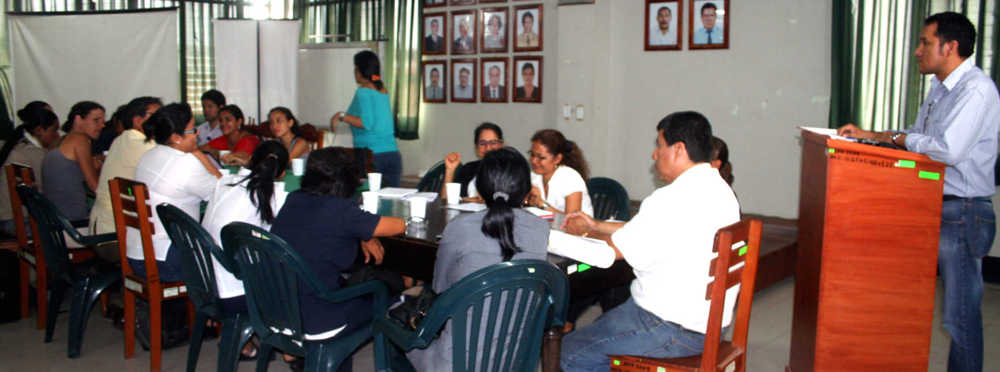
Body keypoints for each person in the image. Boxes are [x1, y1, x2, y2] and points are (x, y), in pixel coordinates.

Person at [837, 12, 1000, 372]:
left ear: (951, 47)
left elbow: (948, 150)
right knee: (912, 306)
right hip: (930, 207)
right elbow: (914, 140)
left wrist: (895, 138)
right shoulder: (941, 90)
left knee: (960, 318)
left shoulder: (975, 89)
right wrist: (872, 137)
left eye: (925, 42)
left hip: (963, 212)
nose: (917, 51)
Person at [559, 111, 740, 371]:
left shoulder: (670, 199)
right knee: (598, 330)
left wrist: (556, 242)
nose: (655, 154)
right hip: (707, 324)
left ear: (678, 149)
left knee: (570, 351)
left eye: (659, 145)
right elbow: (648, 230)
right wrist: (596, 225)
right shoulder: (720, 190)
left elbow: (611, 253)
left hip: (669, 327)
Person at [406, 147, 550, 371]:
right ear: (526, 191)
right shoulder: (541, 229)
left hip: (454, 363)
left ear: (480, 189)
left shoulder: (459, 228)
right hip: (514, 359)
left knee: (396, 319)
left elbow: (440, 287)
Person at [270, 147, 405, 359]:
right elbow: (398, 226)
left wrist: (364, 234)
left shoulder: (294, 198)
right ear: (346, 179)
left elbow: (326, 227)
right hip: (317, 317)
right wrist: (366, 231)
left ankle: (295, 351)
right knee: (390, 290)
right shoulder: (340, 210)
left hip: (278, 309)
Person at [127, 103, 222, 282]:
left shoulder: (150, 155)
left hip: (138, 255)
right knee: (232, 261)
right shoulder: (185, 163)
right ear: (176, 137)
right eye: (192, 130)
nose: (197, 134)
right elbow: (221, 193)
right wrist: (198, 153)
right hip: (165, 259)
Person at [203, 141, 288, 318]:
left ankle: (240, 340)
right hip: (234, 293)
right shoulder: (270, 197)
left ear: (250, 160)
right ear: (282, 174)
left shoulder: (224, 183)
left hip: (203, 282)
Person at [89, 97, 162, 241]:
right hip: (116, 235)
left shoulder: (122, 139)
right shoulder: (141, 144)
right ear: (137, 121)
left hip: (107, 227)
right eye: (155, 116)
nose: (162, 121)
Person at [331, 51, 403, 187]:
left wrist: (341, 116)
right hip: (392, 154)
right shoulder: (382, 90)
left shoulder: (363, 91)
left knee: (367, 202)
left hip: (370, 157)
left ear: (359, 70)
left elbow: (366, 123)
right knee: (390, 202)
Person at [0, 102, 60, 233]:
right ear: (39, 130)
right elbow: (48, 189)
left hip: (7, 217)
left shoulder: (19, 144)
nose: (57, 135)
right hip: (17, 222)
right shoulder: (34, 153)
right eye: (54, 130)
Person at [42, 101, 105, 221]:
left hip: (53, 218)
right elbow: (94, 185)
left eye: (102, 121)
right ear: (78, 119)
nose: (102, 125)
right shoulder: (80, 139)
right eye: (96, 120)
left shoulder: (60, 140)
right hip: (72, 221)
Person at [526, 129, 593, 216]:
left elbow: (572, 223)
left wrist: (542, 204)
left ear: (557, 159)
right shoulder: (534, 176)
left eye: (541, 157)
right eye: (532, 155)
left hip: (577, 229)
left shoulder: (571, 178)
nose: (534, 161)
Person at [440, 122, 505, 200]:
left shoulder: (512, 171)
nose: (488, 148)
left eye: (493, 143)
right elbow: (445, 200)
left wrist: (469, 200)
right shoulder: (468, 169)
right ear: (476, 147)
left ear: (501, 145)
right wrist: (450, 170)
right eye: (482, 143)